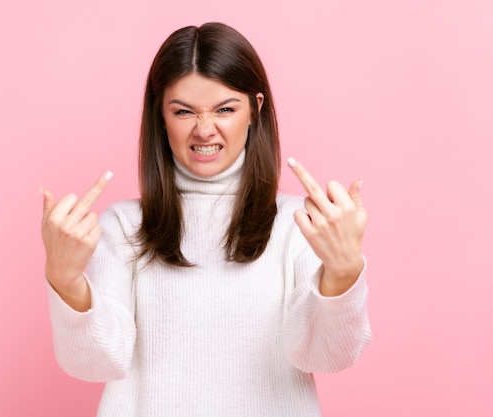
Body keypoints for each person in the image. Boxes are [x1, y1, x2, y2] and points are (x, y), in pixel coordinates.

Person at [40, 22, 371, 417]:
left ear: (255, 109)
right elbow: (95, 362)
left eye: (225, 109)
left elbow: (327, 356)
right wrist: (65, 281)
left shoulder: (299, 226)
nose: (204, 129)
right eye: (183, 111)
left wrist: (344, 271)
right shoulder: (123, 226)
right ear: (160, 115)